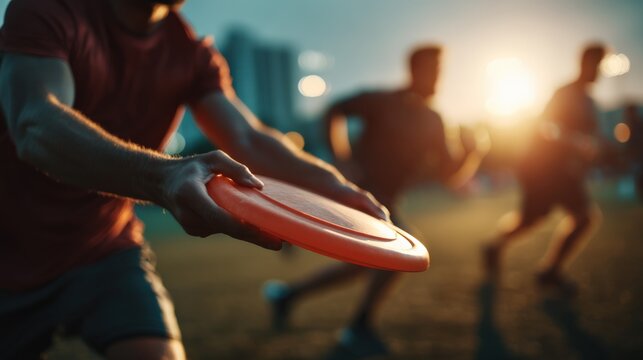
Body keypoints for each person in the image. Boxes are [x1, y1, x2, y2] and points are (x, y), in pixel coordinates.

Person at [0, 0, 387, 359]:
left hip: (101, 250)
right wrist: (161, 176)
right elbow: (36, 124)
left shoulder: (192, 55)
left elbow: (247, 138)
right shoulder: (49, 10)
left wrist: (333, 187)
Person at [263, 45, 488, 356]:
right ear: (414, 70)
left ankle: (288, 296)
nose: (438, 77)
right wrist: (341, 159)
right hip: (360, 192)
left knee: (368, 263)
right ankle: (358, 326)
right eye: (433, 70)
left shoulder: (433, 120)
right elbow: (334, 110)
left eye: (441, 71)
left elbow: (449, 175)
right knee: (396, 255)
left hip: (387, 201)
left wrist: (472, 152)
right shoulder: (383, 101)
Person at [483, 44, 608, 294]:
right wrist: (573, 141)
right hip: (542, 168)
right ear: (585, 63)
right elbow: (545, 126)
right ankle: (494, 247)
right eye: (596, 64)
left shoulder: (589, 101)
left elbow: (591, 138)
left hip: (566, 173)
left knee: (584, 217)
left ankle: (550, 270)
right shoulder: (565, 93)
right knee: (531, 220)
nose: (599, 71)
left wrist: (592, 150)